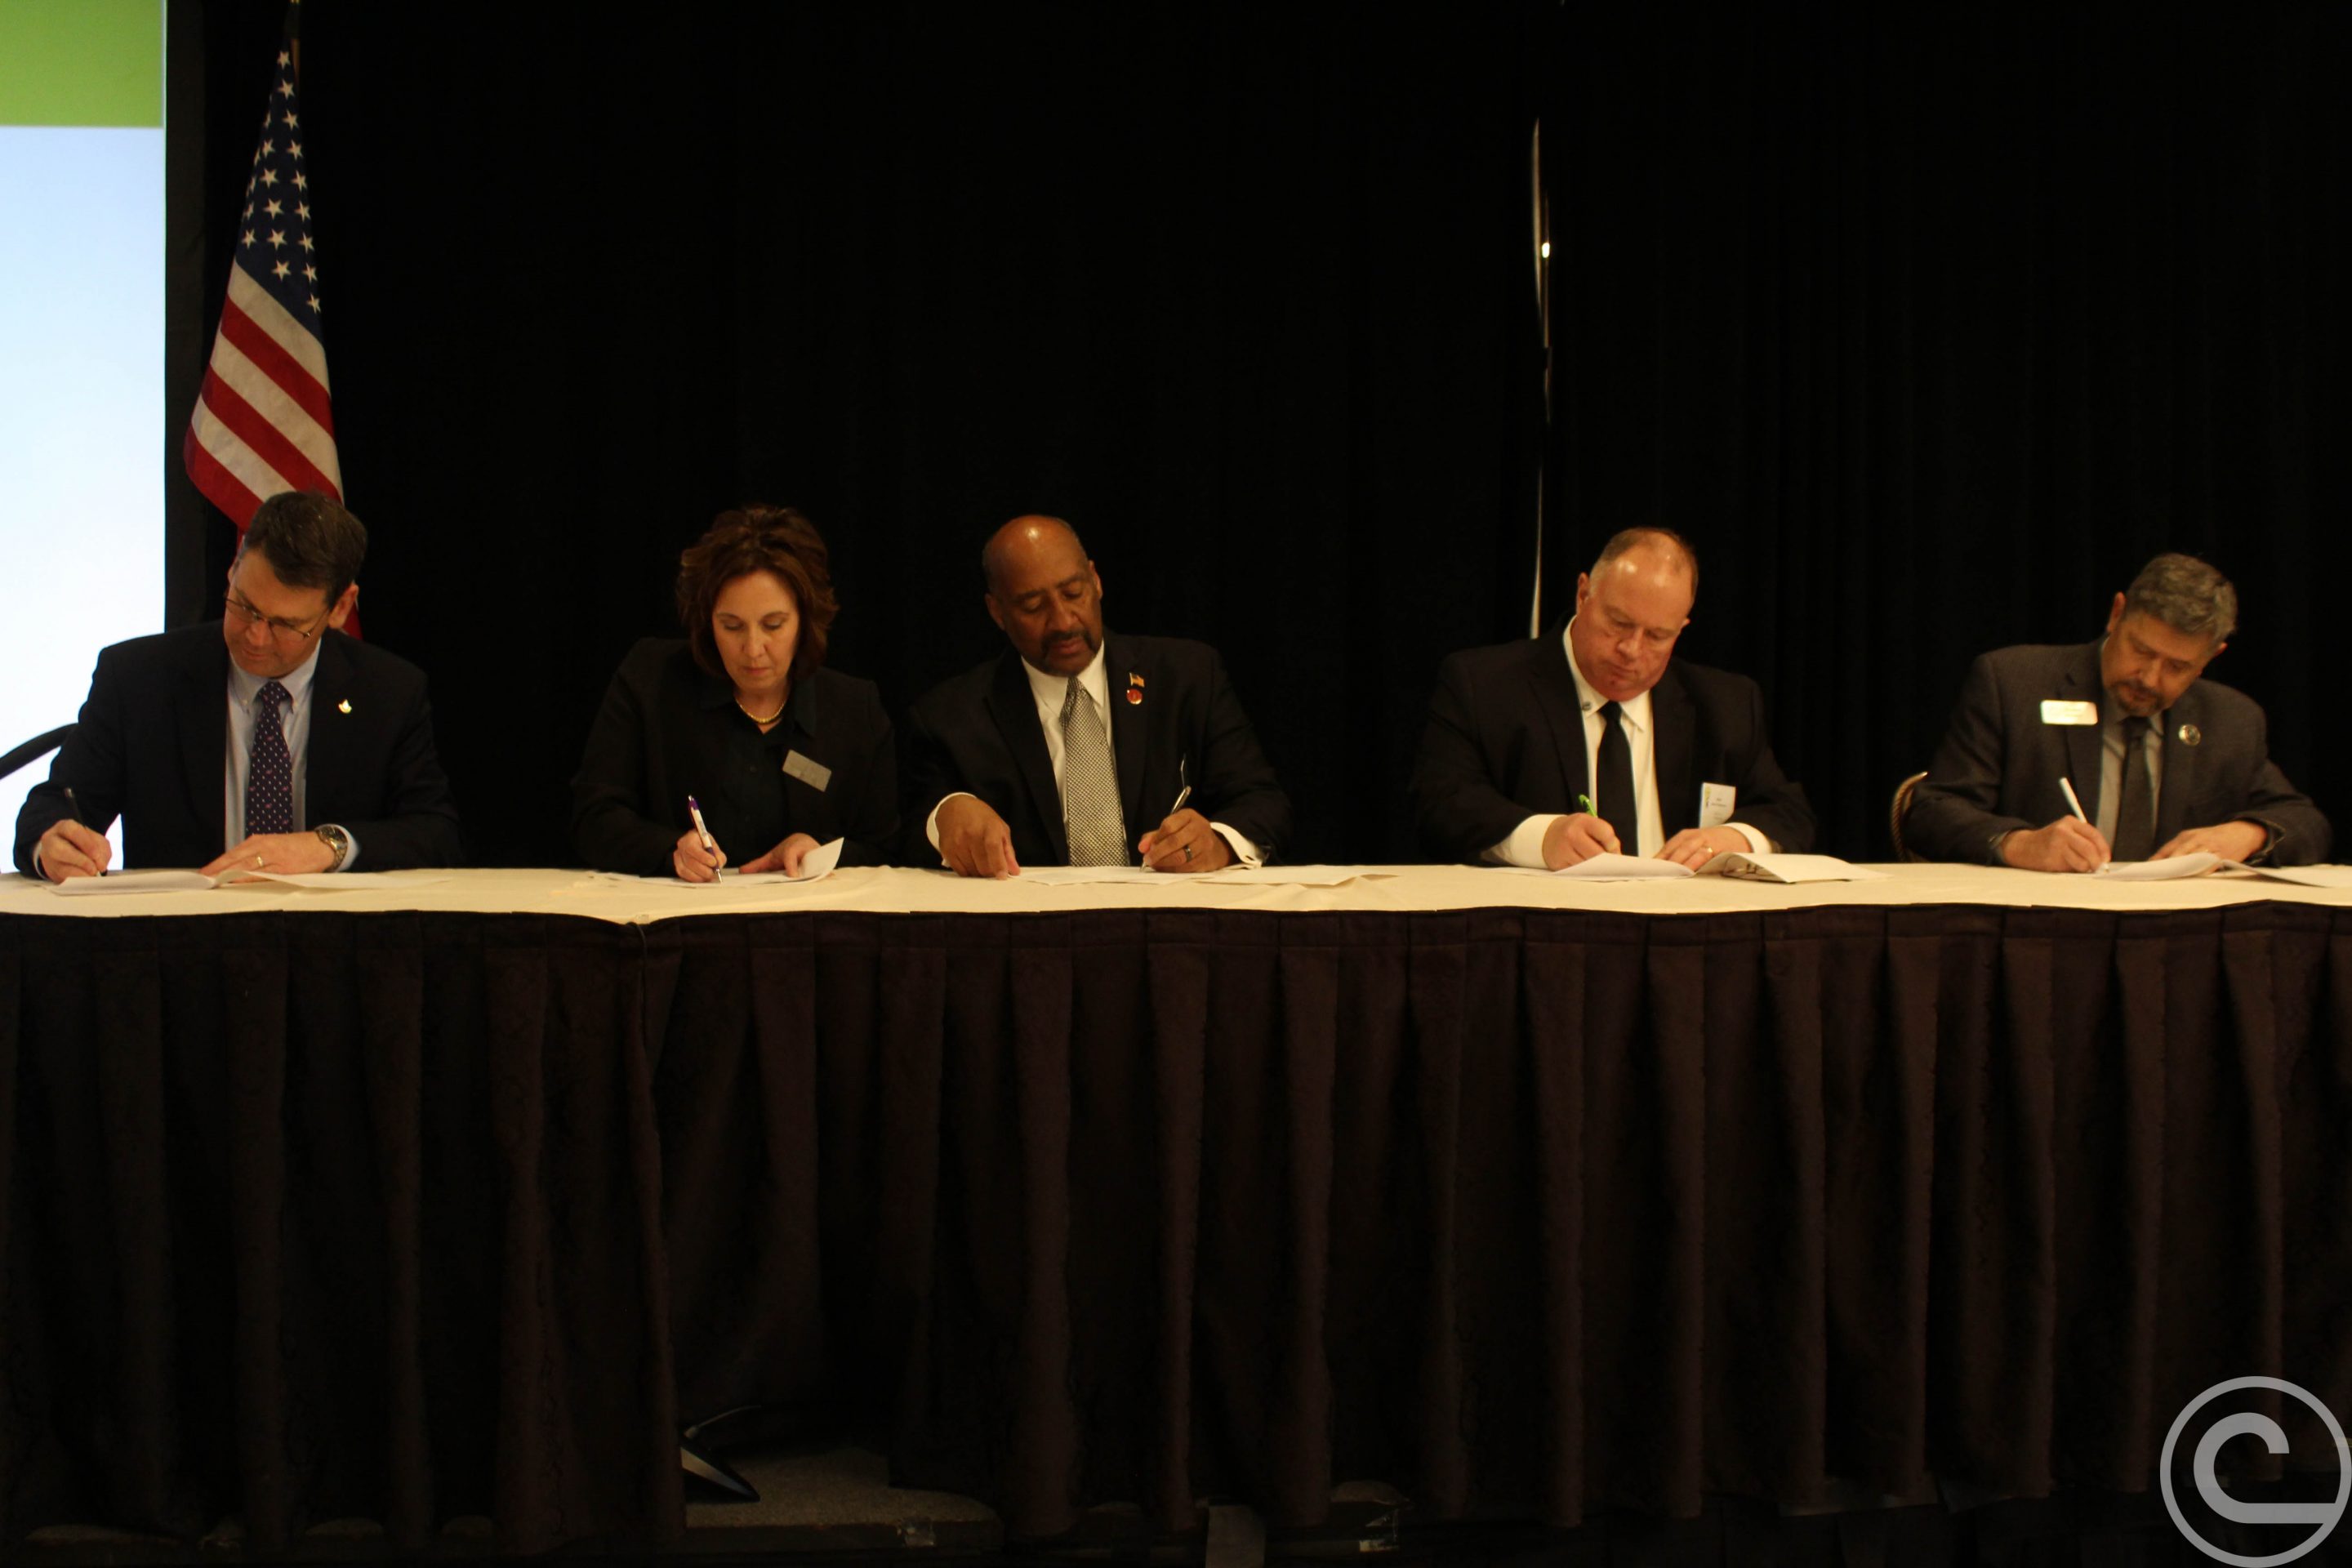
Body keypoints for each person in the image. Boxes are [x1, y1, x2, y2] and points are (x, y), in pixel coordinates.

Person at [15, 491, 461, 880]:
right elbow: (53, 808)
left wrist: (328, 847)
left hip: (331, 952)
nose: (255, 637)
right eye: (245, 606)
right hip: (176, 947)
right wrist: (52, 844)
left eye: (287, 624)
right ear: (234, 569)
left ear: (341, 607)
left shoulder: (388, 691)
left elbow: (434, 833)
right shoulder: (137, 677)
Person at [902, 514, 1290, 876]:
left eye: (1073, 593)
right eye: (1033, 606)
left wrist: (1219, 842)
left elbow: (1261, 801)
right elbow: (908, 826)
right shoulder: (951, 715)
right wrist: (945, 815)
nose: (1063, 622)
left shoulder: (1187, 676)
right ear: (997, 612)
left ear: (1096, 581)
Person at [1411, 527, 1815, 867]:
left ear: (1682, 628)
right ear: (1583, 594)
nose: (1632, 650)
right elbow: (1442, 803)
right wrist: (1542, 837)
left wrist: (1734, 840)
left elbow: (1789, 813)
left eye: (1657, 636)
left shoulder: (1726, 704)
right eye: (1618, 623)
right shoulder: (1486, 685)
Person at [1904, 553, 2328, 870]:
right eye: (2141, 650)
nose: (2149, 677)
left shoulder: (2232, 720)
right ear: (2117, 613)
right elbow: (1930, 813)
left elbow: (2307, 824)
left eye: (2178, 667)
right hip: (2041, 934)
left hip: (2176, 943)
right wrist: (2019, 844)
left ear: (2211, 658)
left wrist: (2247, 835)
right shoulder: (2013, 683)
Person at [572, 504, 897, 879]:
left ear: (806, 620)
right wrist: (670, 850)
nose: (753, 649)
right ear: (707, 621)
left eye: (773, 625)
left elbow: (883, 846)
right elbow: (593, 818)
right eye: (732, 626)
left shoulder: (855, 710)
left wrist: (817, 849)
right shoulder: (652, 681)